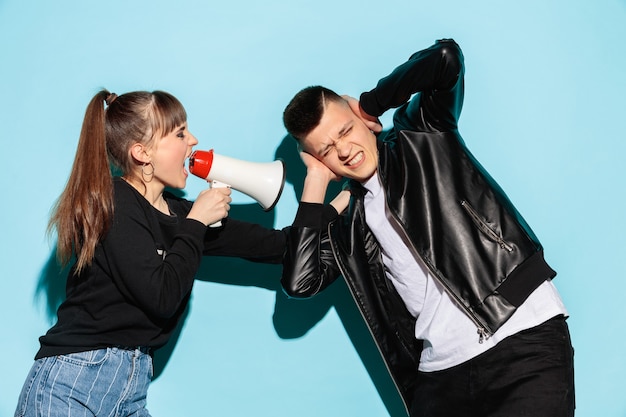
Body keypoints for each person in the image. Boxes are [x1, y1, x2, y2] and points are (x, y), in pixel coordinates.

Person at [281, 38, 575, 417]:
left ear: (362, 121)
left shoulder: (421, 135)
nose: (343, 150)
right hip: (439, 377)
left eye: (345, 131)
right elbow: (299, 282)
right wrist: (315, 182)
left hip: (520, 335)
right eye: (325, 150)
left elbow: (445, 59)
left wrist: (371, 101)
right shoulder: (349, 226)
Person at [14, 90, 287, 417]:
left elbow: (272, 244)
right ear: (142, 153)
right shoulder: (116, 203)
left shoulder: (179, 214)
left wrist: (332, 201)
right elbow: (161, 296)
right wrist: (197, 221)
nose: (194, 140)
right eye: (181, 133)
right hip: (74, 383)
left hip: (131, 387)